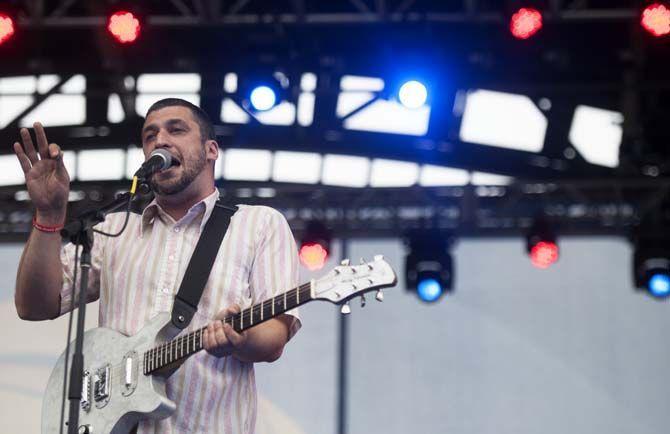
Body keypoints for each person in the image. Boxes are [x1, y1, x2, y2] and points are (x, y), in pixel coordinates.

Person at [13, 98, 301, 434]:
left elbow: (275, 339)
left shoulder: (259, 225)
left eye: (176, 129)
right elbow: (34, 305)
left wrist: (240, 338)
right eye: (150, 136)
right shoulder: (114, 229)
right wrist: (49, 214)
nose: (160, 140)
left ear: (211, 150)